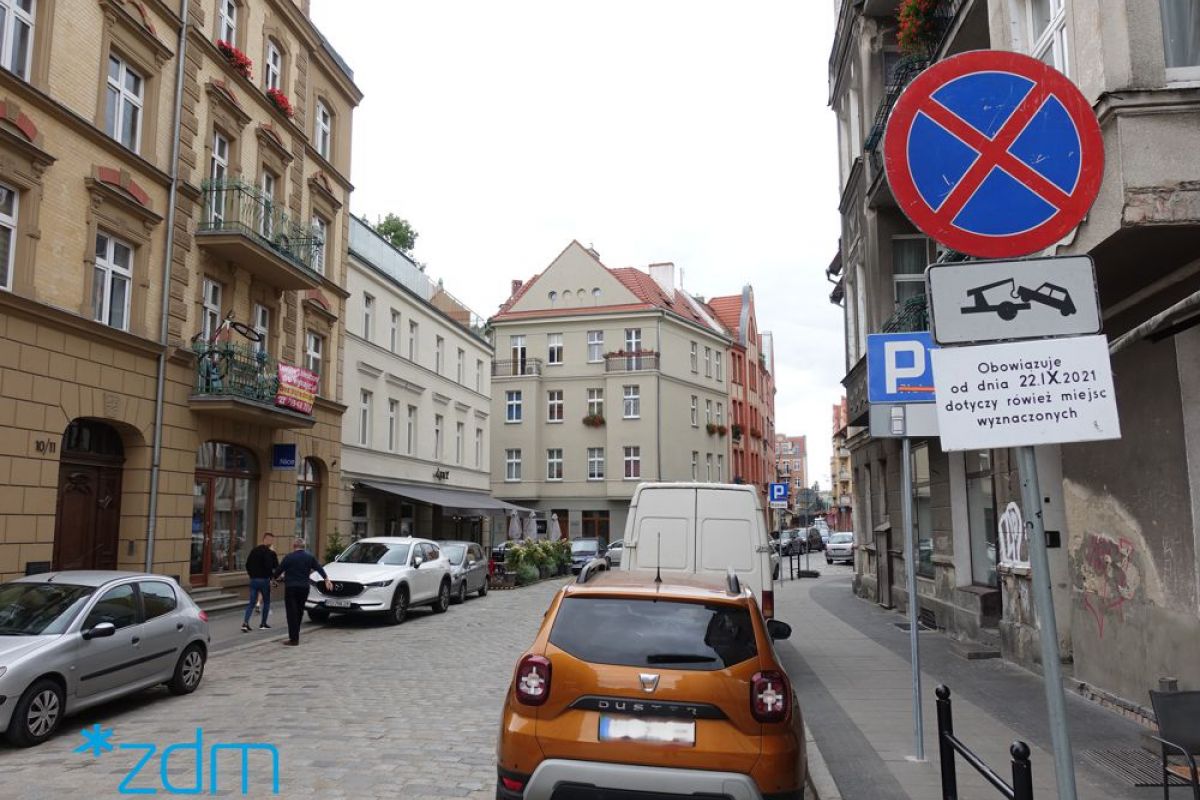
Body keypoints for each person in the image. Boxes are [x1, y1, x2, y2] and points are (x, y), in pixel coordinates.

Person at [273, 537, 331, 646]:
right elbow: (319, 568)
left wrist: (274, 578)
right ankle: (296, 635)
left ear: (293, 546)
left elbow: (278, 571)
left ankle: (293, 638)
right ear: (304, 547)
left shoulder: (289, 557)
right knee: (299, 611)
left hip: (291, 588)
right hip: (304, 588)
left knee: (291, 613)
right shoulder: (309, 557)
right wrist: (326, 579)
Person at [242, 533, 279, 632]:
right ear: (267, 540)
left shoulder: (254, 550)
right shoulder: (271, 553)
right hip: (265, 580)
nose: (271, 542)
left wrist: (251, 575)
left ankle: (245, 623)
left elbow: (247, 564)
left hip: (254, 580)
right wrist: (273, 578)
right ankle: (263, 624)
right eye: (271, 540)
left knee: (251, 602)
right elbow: (275, 567)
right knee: (266, 602)